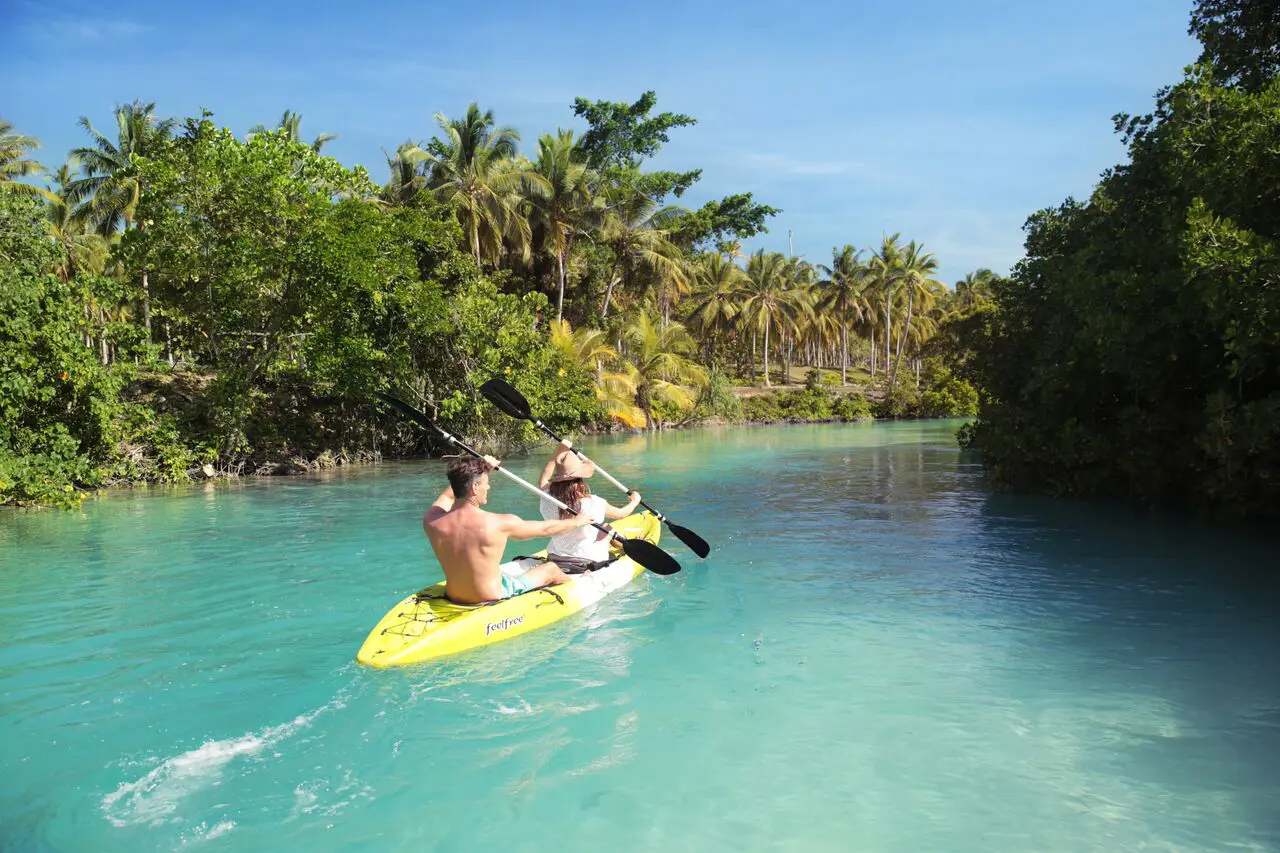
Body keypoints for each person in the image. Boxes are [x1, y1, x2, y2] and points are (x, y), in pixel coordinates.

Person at [423, 454, 593, 605]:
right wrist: (577, 521)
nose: (488, 488)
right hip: (493, 596)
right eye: (486, 483)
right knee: (551, 569)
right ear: (475, 488)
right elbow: (546, 529)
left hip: (454, 595)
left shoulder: (432, 520)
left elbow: (447, 496)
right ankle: (579, 588)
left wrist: (481, 470)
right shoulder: (498, 523)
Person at [537, 440, 641, 573]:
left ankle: (622, 544)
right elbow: (621, 513)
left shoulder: (546, 496)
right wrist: (634, 501)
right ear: (580, 480)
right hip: (586, 561)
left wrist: (559, 450)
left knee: (602, 528)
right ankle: (625, 546)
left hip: (555, 558)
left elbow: (544, 477)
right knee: (606, 528)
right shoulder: (594, 503)